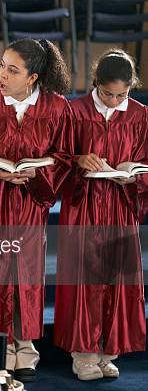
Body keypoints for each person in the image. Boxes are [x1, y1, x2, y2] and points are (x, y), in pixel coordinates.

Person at [0, 38, 73, 383]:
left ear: (33, 77)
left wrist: (38, 173)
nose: (3, 75)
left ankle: (25, 349)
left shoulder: (57, 108)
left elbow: (64, 157)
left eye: (13, 70)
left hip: (29, 205)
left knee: (27, 273)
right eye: (1, 66)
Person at [54, 49, 147, 381]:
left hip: (120, 208)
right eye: (108, 93)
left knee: (116, 279)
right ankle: (83, 353)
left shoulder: (140, 115)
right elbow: (59, 157)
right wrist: (79, 160)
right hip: (84, 206)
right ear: (96, 83)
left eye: (122, 94)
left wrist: (135, 175)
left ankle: (109, 351)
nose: (113, 100)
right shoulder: (74, 111)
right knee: (86, 279)